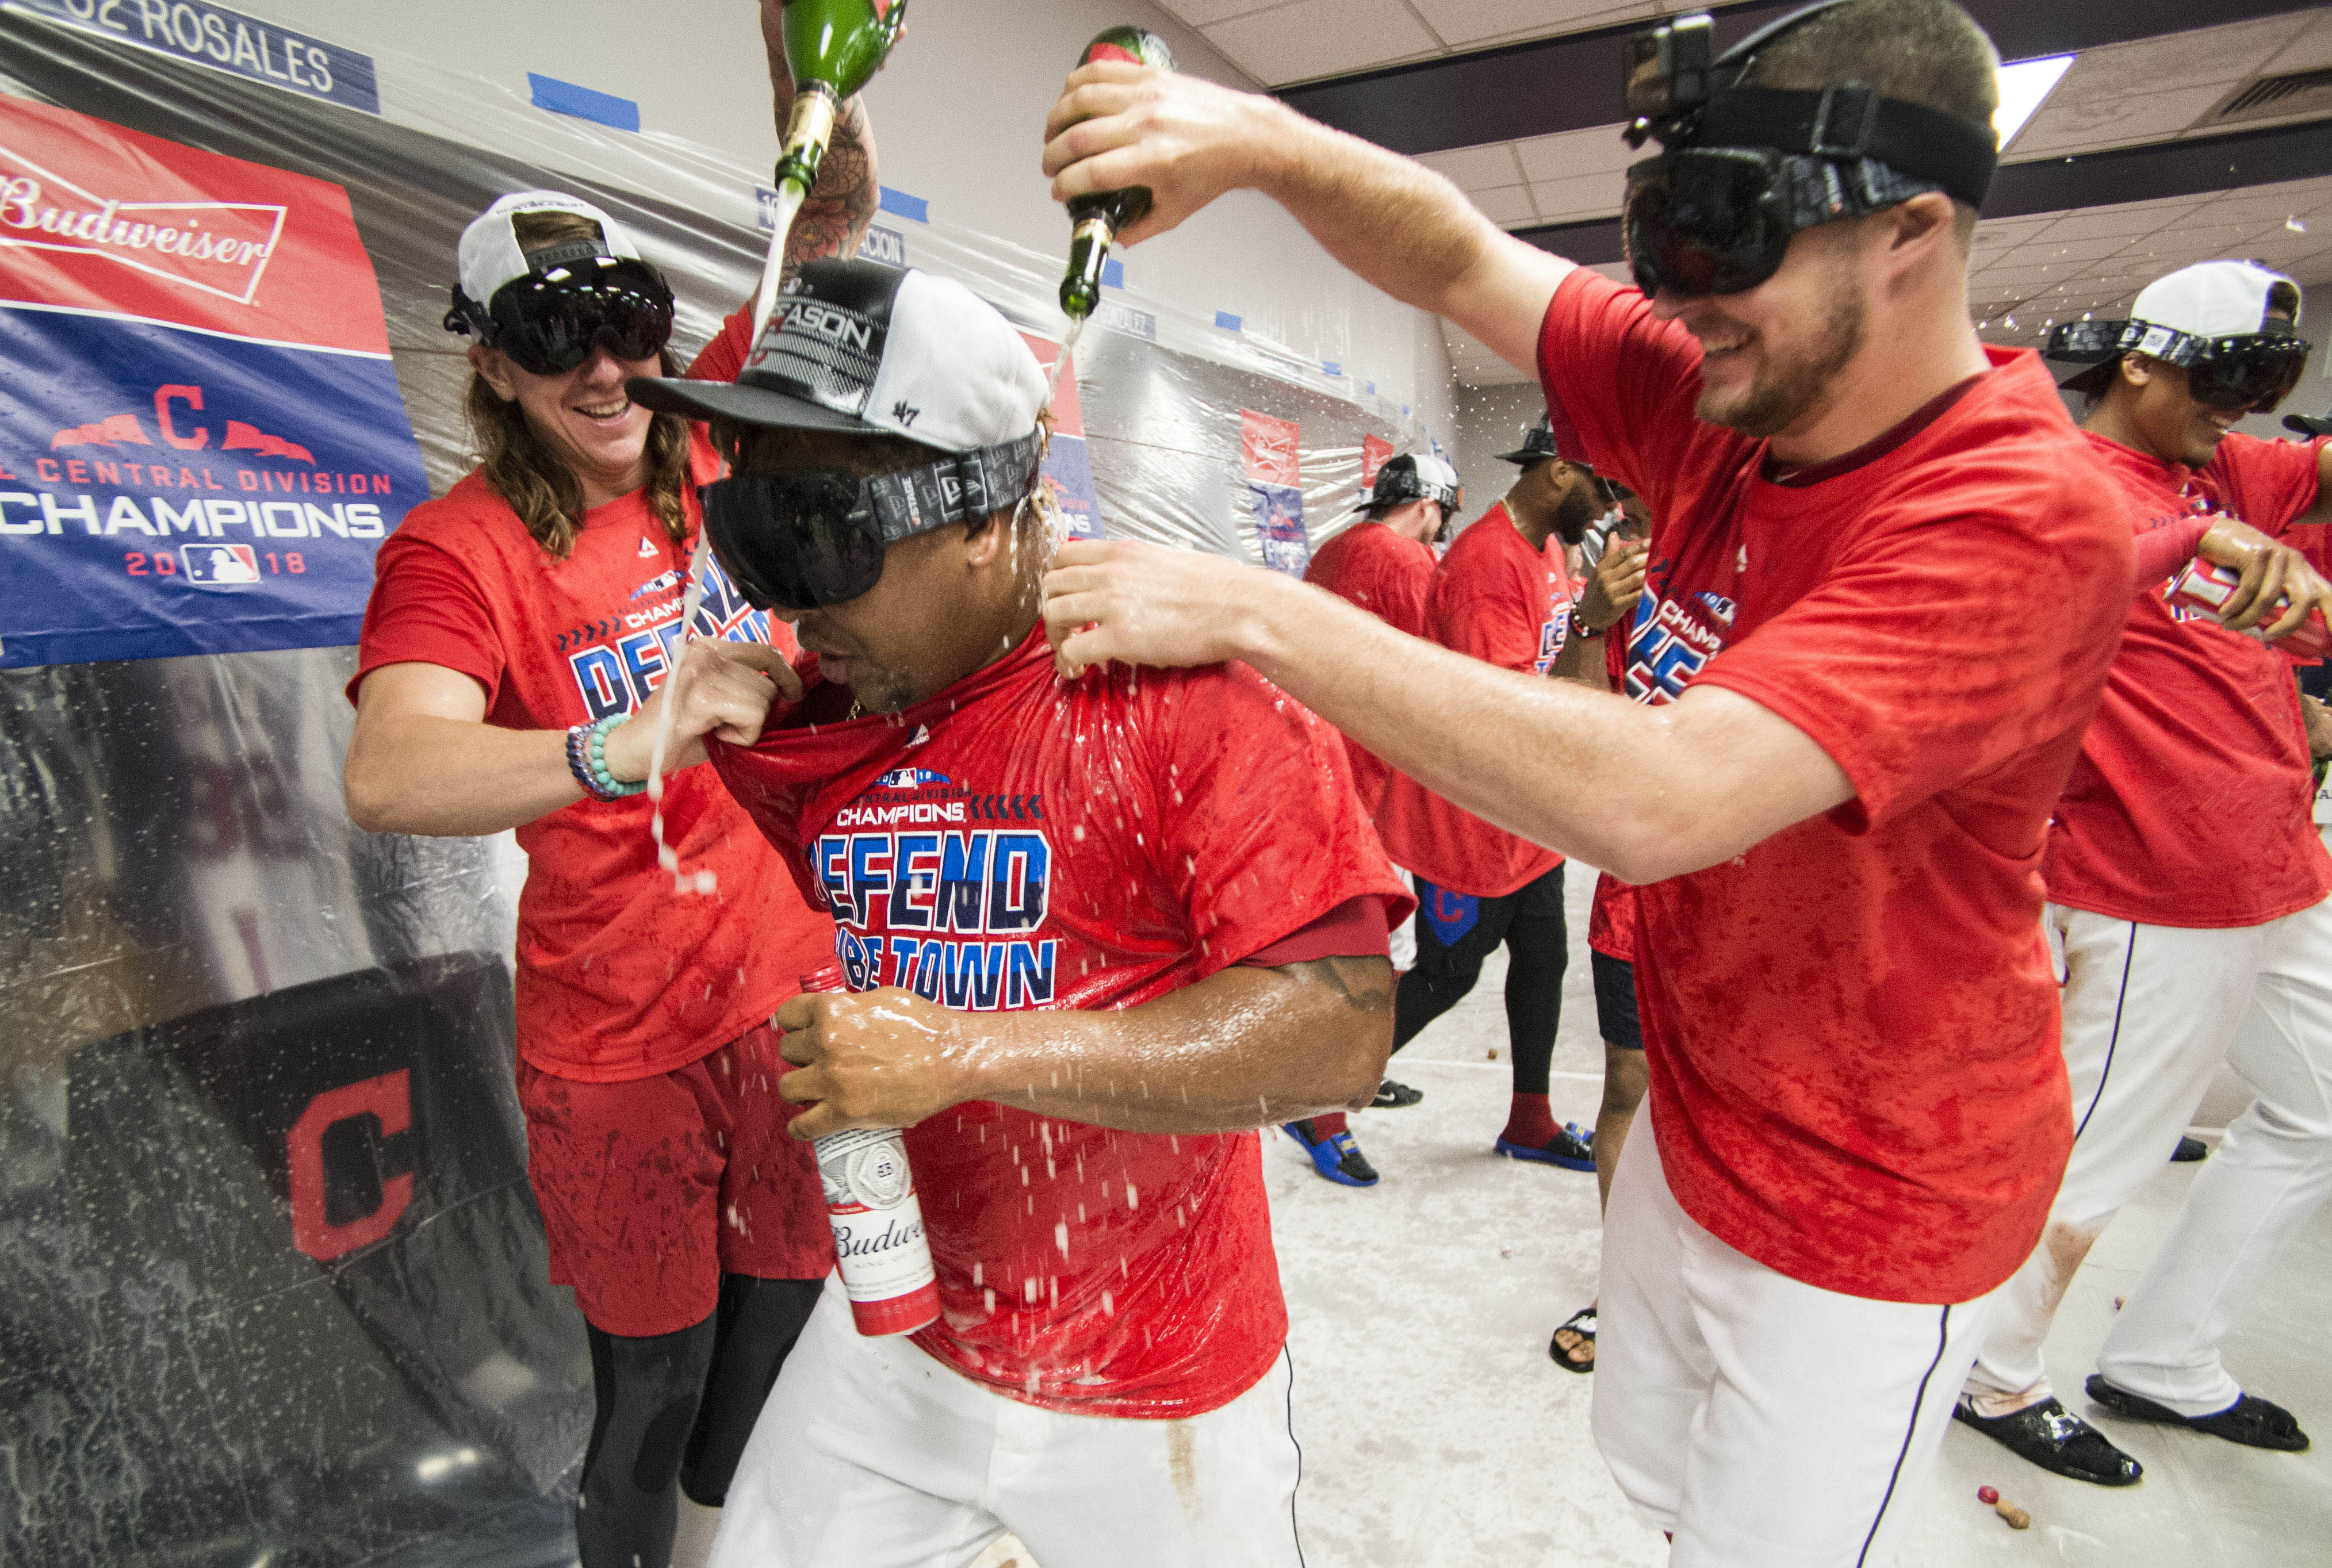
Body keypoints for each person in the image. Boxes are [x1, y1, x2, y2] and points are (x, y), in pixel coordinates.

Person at [1036, 1, 2138, 1557]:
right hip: (1704, 1114)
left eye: (1729, 254)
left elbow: (1661, 795)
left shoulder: (2012, 510)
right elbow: (1455, 257)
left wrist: (1245, 605)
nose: (1686, 311)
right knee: (1649, 1476)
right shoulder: (1732, 396)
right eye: (1664, 256)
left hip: (1873, 1198)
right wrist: (1252, 140)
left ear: (1910, 230)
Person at [623, 258, 1411, 1567]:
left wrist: (967, 1055)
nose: (794, 599)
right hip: (903, 1329)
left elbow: (1336, 1032)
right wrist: (738, 722)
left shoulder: (1177, 690)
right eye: (756, 536)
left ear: (986, 517)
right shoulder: (834, 702)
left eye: (822, 538)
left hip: (1153, 1380)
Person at [339, 15, 880, 1566]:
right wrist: (614, 740)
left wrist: (811, 76)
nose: (604, 366)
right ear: (491, 362)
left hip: (784, 996)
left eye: (627, 322)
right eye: (552, 332)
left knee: (776, 1357)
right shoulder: (458, 551)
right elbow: (390, 768)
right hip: (618, 1042)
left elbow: (824, 219)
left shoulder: (701, 437)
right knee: (649, 1390)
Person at [1954, 260, 2332, 1481]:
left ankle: (2164, 1356)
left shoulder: (2206, 469)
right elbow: (2069, 562)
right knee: (2095, 1151)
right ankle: (1991, 1373)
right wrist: (2201, 532)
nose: (2242, 410)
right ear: (2138, 361)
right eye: (2223, 381)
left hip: (2278, 870)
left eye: (2265, 384)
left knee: (2317, 1108)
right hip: (2148, 886)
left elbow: (2309, 472)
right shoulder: (2070, 490)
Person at [1346, 420, 1616, 1184]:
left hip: (1526, 815)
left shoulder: (1551, 549)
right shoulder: (1484, 564)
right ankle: (1324, 1096)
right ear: (1559, 473)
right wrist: (1591, 624)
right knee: (1446, 972)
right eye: (1598, 487)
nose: (1603, 506)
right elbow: (1497, 717)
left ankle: (1528, 1117)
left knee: (1541, 957)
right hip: (1465, 819)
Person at [1281, 449, 1456, 1184]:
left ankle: (1336, 1084)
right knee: (1366, 956)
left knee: (1329, 945)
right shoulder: (1408, 561)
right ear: (1425, 505)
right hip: (1367, 783)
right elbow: (1441, 675)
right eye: (1441, 519)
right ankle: (1320, 1110)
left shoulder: (1331, 551)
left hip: (1308, 767)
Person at [1547, 486, 1653, 1374]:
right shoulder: (1628, 583)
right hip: (1641, 891)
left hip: (1774, 904)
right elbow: (1564, 735)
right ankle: (1624, 1282)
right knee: (1630, 1083)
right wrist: (1588, 621)